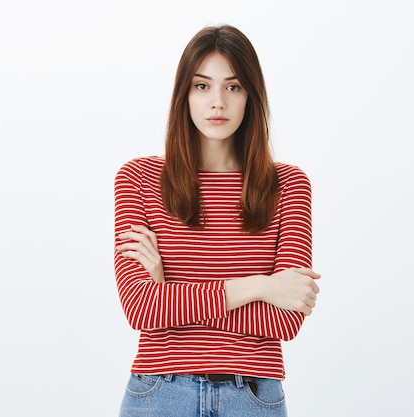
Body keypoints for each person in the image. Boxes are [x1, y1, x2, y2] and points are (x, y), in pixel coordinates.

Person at [113, 24, 320, 417]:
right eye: (202, 86)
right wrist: (262, 285)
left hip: (253, 397)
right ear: (184, 95)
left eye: (234, 86)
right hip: (159, 394)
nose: (218, 103)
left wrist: (171, 291)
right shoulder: (138, 180)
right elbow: (140, 307)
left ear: (251, 98)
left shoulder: (289, 186)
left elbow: (287, 318)